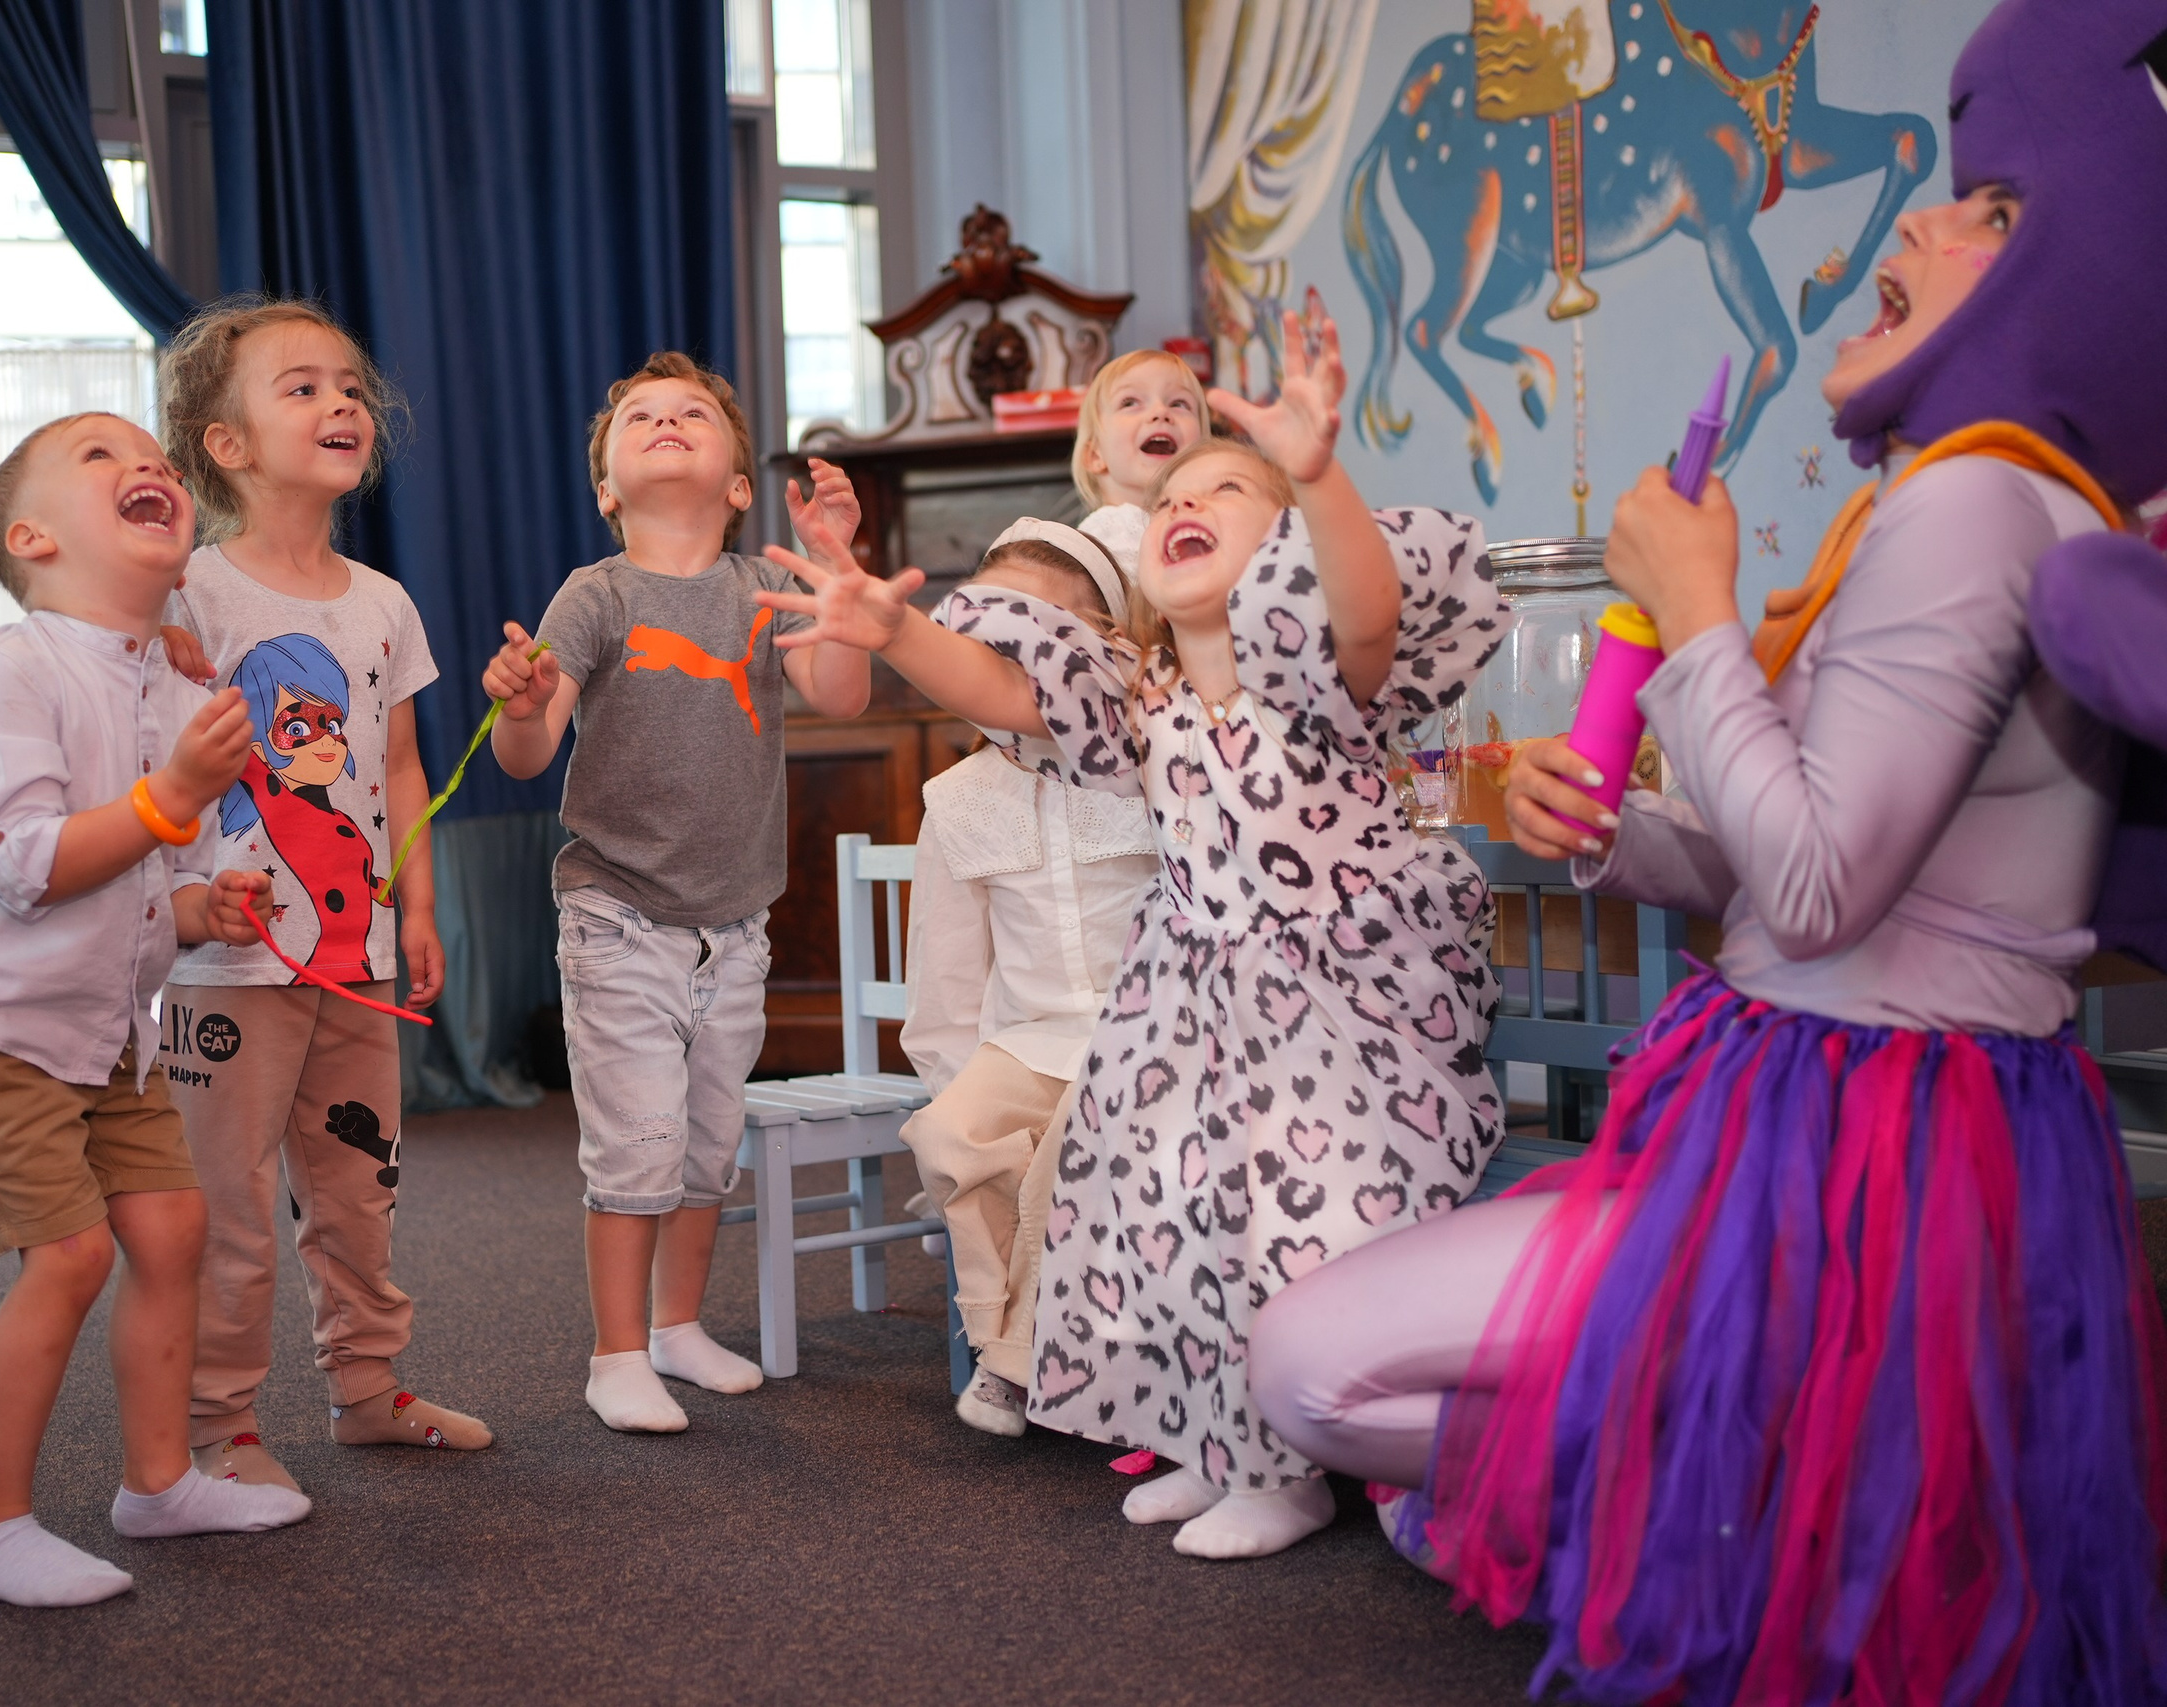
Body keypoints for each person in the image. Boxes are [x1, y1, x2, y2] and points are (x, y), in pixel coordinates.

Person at [1248, 2, 2167, 1696]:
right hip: (1879, 1128)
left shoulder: (1973, 504)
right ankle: (1734, 1499)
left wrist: (1695, 612)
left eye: (1998, 216)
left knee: (1307, 1365)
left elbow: (1818, 892)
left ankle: (1685, 1501)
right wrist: (1613, 836)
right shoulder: (1992, 501)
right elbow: (1783, 871)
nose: (1921, 214)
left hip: (1853, 1149)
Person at [760, 311, 1511, 1557]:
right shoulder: (1145, 705)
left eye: (1226, 488)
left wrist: (1316, 474)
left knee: (1284, 1199)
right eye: (1171, 495)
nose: (1185, 498)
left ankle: (1286, 1468)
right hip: (1198, 1006)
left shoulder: (1313, 683)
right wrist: (893, 629)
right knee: (1148, 1198)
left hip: (1343, 1015)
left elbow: (1368, 613)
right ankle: (1207, 1435)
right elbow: (1008, 691)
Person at [0, 412, 309, 1608]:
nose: (149, 469)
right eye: (100, 457)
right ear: (32, 538)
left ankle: (158, 1485)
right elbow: (22, 861)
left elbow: (139, 885)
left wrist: (198, 905)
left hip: (103, 1031)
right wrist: (171, 805)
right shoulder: (4, 672)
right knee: (66, 1256)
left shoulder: (170, 690)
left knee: (172, 1233)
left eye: (155, 460)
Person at [481, 352, 875, 1433]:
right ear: (606, 485)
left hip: (733, 929)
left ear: (740, 483)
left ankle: (678, 1327)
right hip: (618, 917)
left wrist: (838, 571)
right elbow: (528, 754)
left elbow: (840, 696)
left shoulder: (765, 589)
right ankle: (615, 1355)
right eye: (640, 416)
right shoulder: (595, 595)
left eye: (691, 412)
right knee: (638, 1144)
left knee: (706, 1143)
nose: (665, 421)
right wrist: (520, 701)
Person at [151, 298, 488, 1494]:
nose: (339, 403)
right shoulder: (184, 592)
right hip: (227, 965)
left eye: (348, 386)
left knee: (360, 1190)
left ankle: (365, 1392)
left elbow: (396, 771)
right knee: (227, 1215)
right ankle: (220, 1429)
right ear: (225, 444)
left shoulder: (381, 602)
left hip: (357, 953)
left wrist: (420, 912)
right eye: (299, 387)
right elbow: (144, 753)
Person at [894, 520, 1156, 1438]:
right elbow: (946, 985)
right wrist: (962, 1096)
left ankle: (1011, 1364)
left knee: (1062, 1155)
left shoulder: (1156, 769)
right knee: (955, 1134)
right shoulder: (958, 799)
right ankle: (1027, 1337)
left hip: (1152, 1033)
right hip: (1030, 1038)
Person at [1071, 346, 1212, 573]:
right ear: (1095, 455)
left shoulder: (1214, 520)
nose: (1160, 412)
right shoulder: (1103, 534)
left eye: (1178, 404)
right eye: (1130, 403)